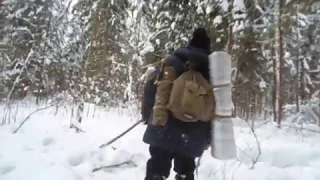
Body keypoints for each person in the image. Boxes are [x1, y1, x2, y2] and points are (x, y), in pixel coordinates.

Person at [141, 28, 212, 180]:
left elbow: (151, 88)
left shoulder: (173, 61)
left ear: (190, 43)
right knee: (186, 171)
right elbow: (217, 108)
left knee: (157, 169)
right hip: (194, 133)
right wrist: (208, 137)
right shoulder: (213, 71)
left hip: (164, 125)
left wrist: (147, 115)